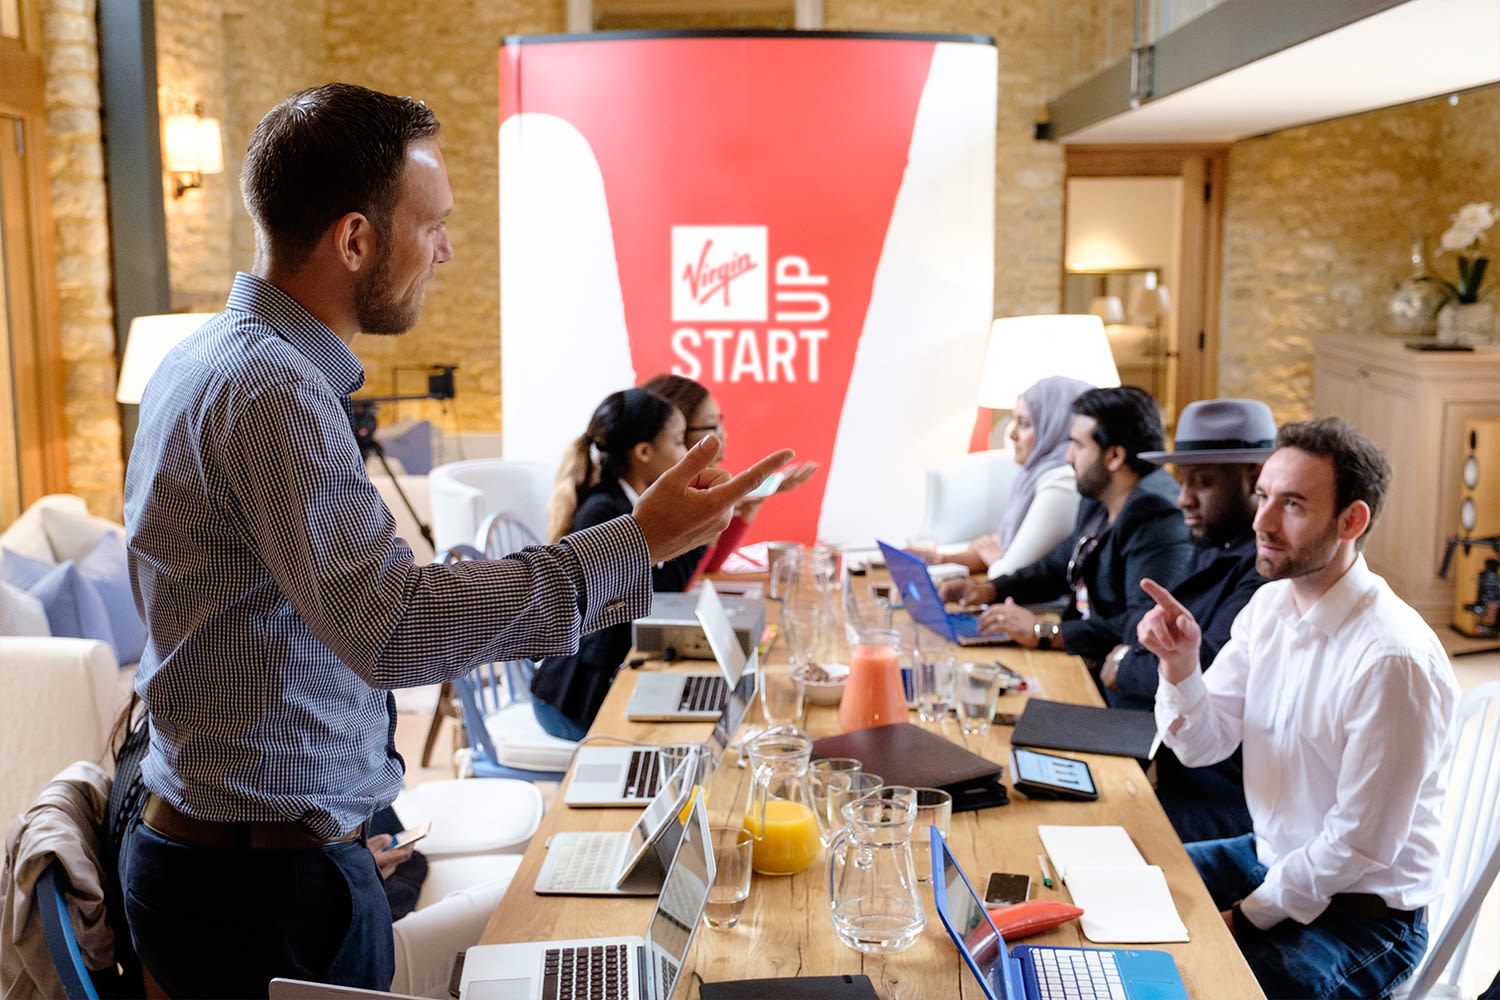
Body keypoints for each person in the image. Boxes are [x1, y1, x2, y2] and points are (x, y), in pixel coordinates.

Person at [119, 83, 790, 999]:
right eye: (429, 224)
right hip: (261, 887)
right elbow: (390, 628)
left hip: (247, 854)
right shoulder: (272, 389)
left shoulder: (205, 360)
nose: (446, 247)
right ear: (355, 240)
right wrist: (637, 539)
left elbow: (271, 633)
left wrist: (359, 806)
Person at [1138, 417, 1459, 1000]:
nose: (1261, 522)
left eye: (1291, 505)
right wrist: (1181, 666)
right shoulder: (1269, 609)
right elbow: (1204, 743)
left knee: (1201, 987)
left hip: (1364, 915)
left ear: (1351, 521)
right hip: (1272, 855)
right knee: (1124, 890)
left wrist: (1241, 919)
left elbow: (1358, 846)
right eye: (1263, 497)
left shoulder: (1392, 660)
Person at [1099, 398, 1276, 843]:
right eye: (1182, 482)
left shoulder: (1263, 572)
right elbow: (1141, 621)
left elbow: (1204, 667)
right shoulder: (1210, 541)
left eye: (1202, 483)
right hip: (1170, 760)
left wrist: (1123, 665)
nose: (1183, 499)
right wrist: (1141, 651)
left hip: (1217, 798)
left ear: (1255, 480)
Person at [939, 386, 1192, 666]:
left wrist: (1044, 632)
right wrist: (988, 590)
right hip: (1081, 658)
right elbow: (1056, 568)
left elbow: (1142, 625)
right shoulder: (1098, 501)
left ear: (1114, 457)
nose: (1068, 456)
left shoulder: (1158, 521)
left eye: (1078, 445)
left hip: (1113, 681)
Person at [532, 388, 701, 738]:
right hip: (575, 698)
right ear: (643, 452)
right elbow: (660, 593)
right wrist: (701, 529)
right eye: (678, 442)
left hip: (604, 677)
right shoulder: (605, 513)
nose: (685, 453)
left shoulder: (628, 504)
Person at [916, 375, 1091, 579]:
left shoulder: (1062, 482)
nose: (1012, 433)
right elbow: (1001, 551)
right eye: (1013, 420)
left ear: (1056, 426)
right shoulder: (1032, 474)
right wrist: (940, 559)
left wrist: (999, 557)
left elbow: (1008, 572)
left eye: (1024, 423)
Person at [642, 373, 818, 573]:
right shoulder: (638, 507)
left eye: (721, 424)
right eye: (713, 426)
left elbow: (709, 568)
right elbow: (676, 586)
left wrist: (747, 506)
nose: (723, 435)